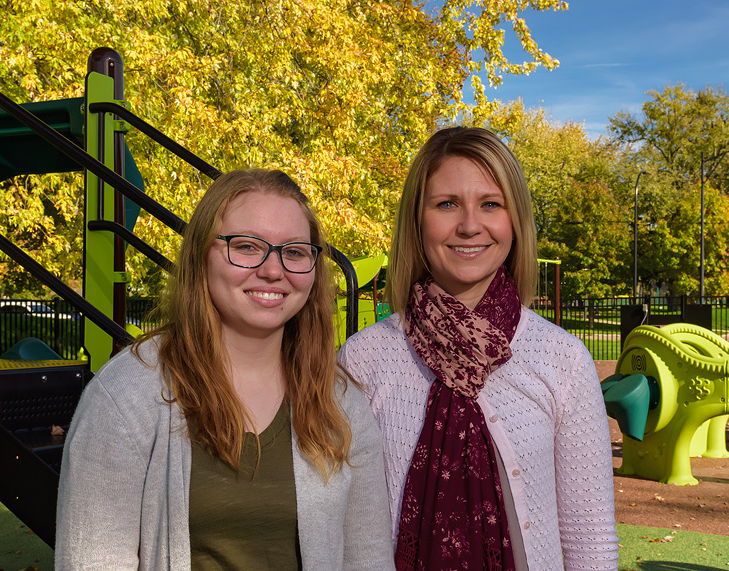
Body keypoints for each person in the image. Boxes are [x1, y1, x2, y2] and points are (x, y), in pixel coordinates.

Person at [57, 169, 392, 570]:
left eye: (295, 251)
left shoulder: (339, 401)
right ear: (201, 254)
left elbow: (368, 557)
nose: (273, 270)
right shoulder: (126, 396)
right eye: (248, 247)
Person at [338, 127, 618, 570]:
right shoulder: (363, 359)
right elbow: (344, 529)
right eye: (446, 203)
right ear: (417, 219)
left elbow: (592, 538)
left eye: (491, 204)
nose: (470, 225)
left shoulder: (560, 357)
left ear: (515, 221)